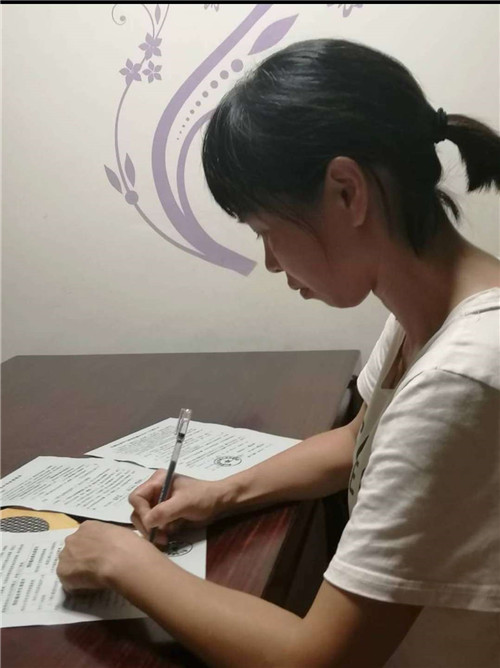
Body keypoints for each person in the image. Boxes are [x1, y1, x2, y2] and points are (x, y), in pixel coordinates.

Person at [57, 39, 500, 667]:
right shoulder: (433, 312)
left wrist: (121, 561)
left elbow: (315, 659)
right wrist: (221, 493)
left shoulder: (461, 376)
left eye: (266, 230)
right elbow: (362, 437)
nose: (268, 261)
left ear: (346, 191)